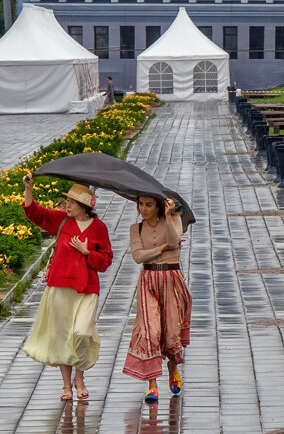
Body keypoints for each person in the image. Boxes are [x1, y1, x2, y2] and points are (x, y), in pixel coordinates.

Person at [21, 171, 113, 402]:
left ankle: (79, 378)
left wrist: (87, 252)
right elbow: (34, 212)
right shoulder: (61, 220)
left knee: (82, 333)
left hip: (87, 289)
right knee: (63, 336)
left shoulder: (99, 228)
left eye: (72, 202)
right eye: (67, 201)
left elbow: (106, 261)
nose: (67, 205)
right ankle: (66, 386)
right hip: (60, 287)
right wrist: (29, 188)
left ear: (84, 206)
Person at [123, 196, 191, 404]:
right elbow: (138, 256)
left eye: (148, 205)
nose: (143, 209)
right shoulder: (136, 228)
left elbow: (174, 240)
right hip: (148, 281)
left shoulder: (174, 218)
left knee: (171, 330)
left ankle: (172, 366)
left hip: (172, 279)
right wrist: (161, 249)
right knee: (150, 331)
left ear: (158, 206)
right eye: (140, 204)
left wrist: (169, 217)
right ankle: (152, 385)